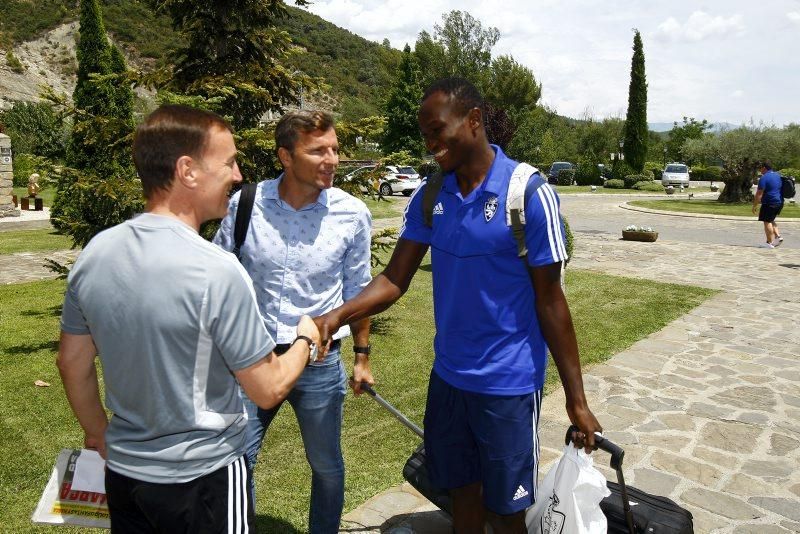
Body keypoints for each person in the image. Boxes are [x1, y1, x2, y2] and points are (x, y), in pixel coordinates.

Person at [314, 78, 601, 534]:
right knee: (462, 499)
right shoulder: (432, 195)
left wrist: (577, 400)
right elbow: (394, 278)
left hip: (507, 385)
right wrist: (335, 317)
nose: (430, 146)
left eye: (437, 131)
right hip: (448, 379)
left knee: (508, 514)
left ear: (473, 121)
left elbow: (551, 302)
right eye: (424, 135)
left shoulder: (526, 193)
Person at [57, 104, 320, 533]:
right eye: (229, 162)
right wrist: (305, 341)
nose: (237, 176)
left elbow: (71, 363)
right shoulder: (216, 269)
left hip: (125, 475)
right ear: (188, 170)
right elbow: (268, 387)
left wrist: (96, 431)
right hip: (205, 478)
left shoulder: (95, 254)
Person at [213, 110, 373, 533]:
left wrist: (361, 355)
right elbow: (217, 272)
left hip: (319, 364)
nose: (333, 159)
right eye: (318, 150)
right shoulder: (246, 203)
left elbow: (359, 290)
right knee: (236, 460)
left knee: (326, 466)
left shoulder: (351, 214)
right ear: (286, 155)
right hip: (253, 361)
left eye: (335, 149)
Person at [752, 160, 784, 248]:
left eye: (760, 168)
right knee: (771, 219)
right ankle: (778, 237)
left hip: (769, 202)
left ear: (764, 168)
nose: (760, 170)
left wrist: (755, 205)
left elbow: (759, 193)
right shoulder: (778, 176)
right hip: (779, 202)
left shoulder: (764, 178)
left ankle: (769, 243)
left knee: (767, 221)